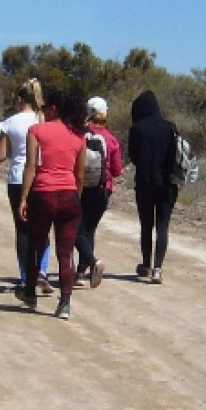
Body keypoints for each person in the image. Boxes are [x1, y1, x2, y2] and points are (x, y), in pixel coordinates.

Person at [17, 89, 87, 320]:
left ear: (54, 108)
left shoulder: (36, 131)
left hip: (43, 194)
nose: (43, 112)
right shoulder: (78, 136)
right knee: (65, 253)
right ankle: (65, 303)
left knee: (36, 246)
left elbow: (30, 167)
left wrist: (24, 198)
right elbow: (80, 175)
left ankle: (30, 293)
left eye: (45, 107)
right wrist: (75, 197)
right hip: (68, 195)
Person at [0, 78, 54, 294]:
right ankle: (43, 272)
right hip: (41, 177)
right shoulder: (44, 119)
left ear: (19, 99)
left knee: (23, 230)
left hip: (18, 178)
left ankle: (25, 276)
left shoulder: (9, 122)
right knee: (43, 227)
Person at [128, 89, 178, 284]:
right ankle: (158, 269)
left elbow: (133, 156)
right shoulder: (170, 128)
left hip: (144, 183)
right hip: (167, 185)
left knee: (146, 226)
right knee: (163, 227)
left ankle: (146, 266)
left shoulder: (137, 129)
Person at [75, 96, 124, 288]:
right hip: (103, 189)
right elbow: (117, 170)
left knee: (77, 229)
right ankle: (82, 271)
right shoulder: (111, 139)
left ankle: (92, 263)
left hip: (80, 187)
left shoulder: (80, 134)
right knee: (89, 229)